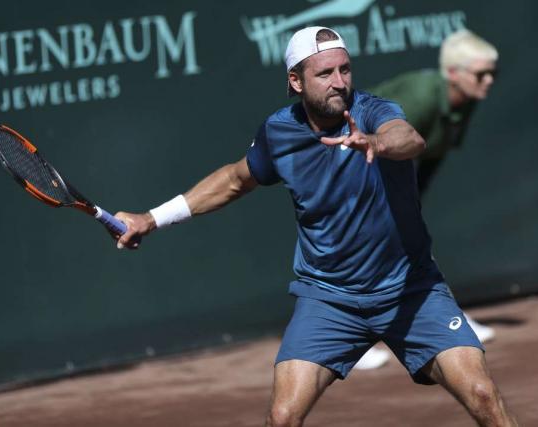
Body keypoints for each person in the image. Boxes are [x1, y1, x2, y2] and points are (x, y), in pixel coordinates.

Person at [114, 27, 517, 427]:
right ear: (295, 81)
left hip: (412, 290)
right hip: (329, 299)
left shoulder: (373, 111)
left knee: (482, 394)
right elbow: (236, 180)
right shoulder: (278, 132)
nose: (339, 82)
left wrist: (376, 143)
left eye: (345, 70)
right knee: (283, 416)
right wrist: (151, 219)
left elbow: (408, 138)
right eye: (325, 73)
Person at [369, 29, 498, 344]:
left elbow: (433, 154)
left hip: (388, 171)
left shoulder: (465, 100)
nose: (489, 81)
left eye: (492, 74)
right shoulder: (422, 98)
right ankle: (352, 340)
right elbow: (376, 150)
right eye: (481, 74)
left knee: (411, 244)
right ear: (453, 74)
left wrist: (412, 205)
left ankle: (447, 318)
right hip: (352, 162)